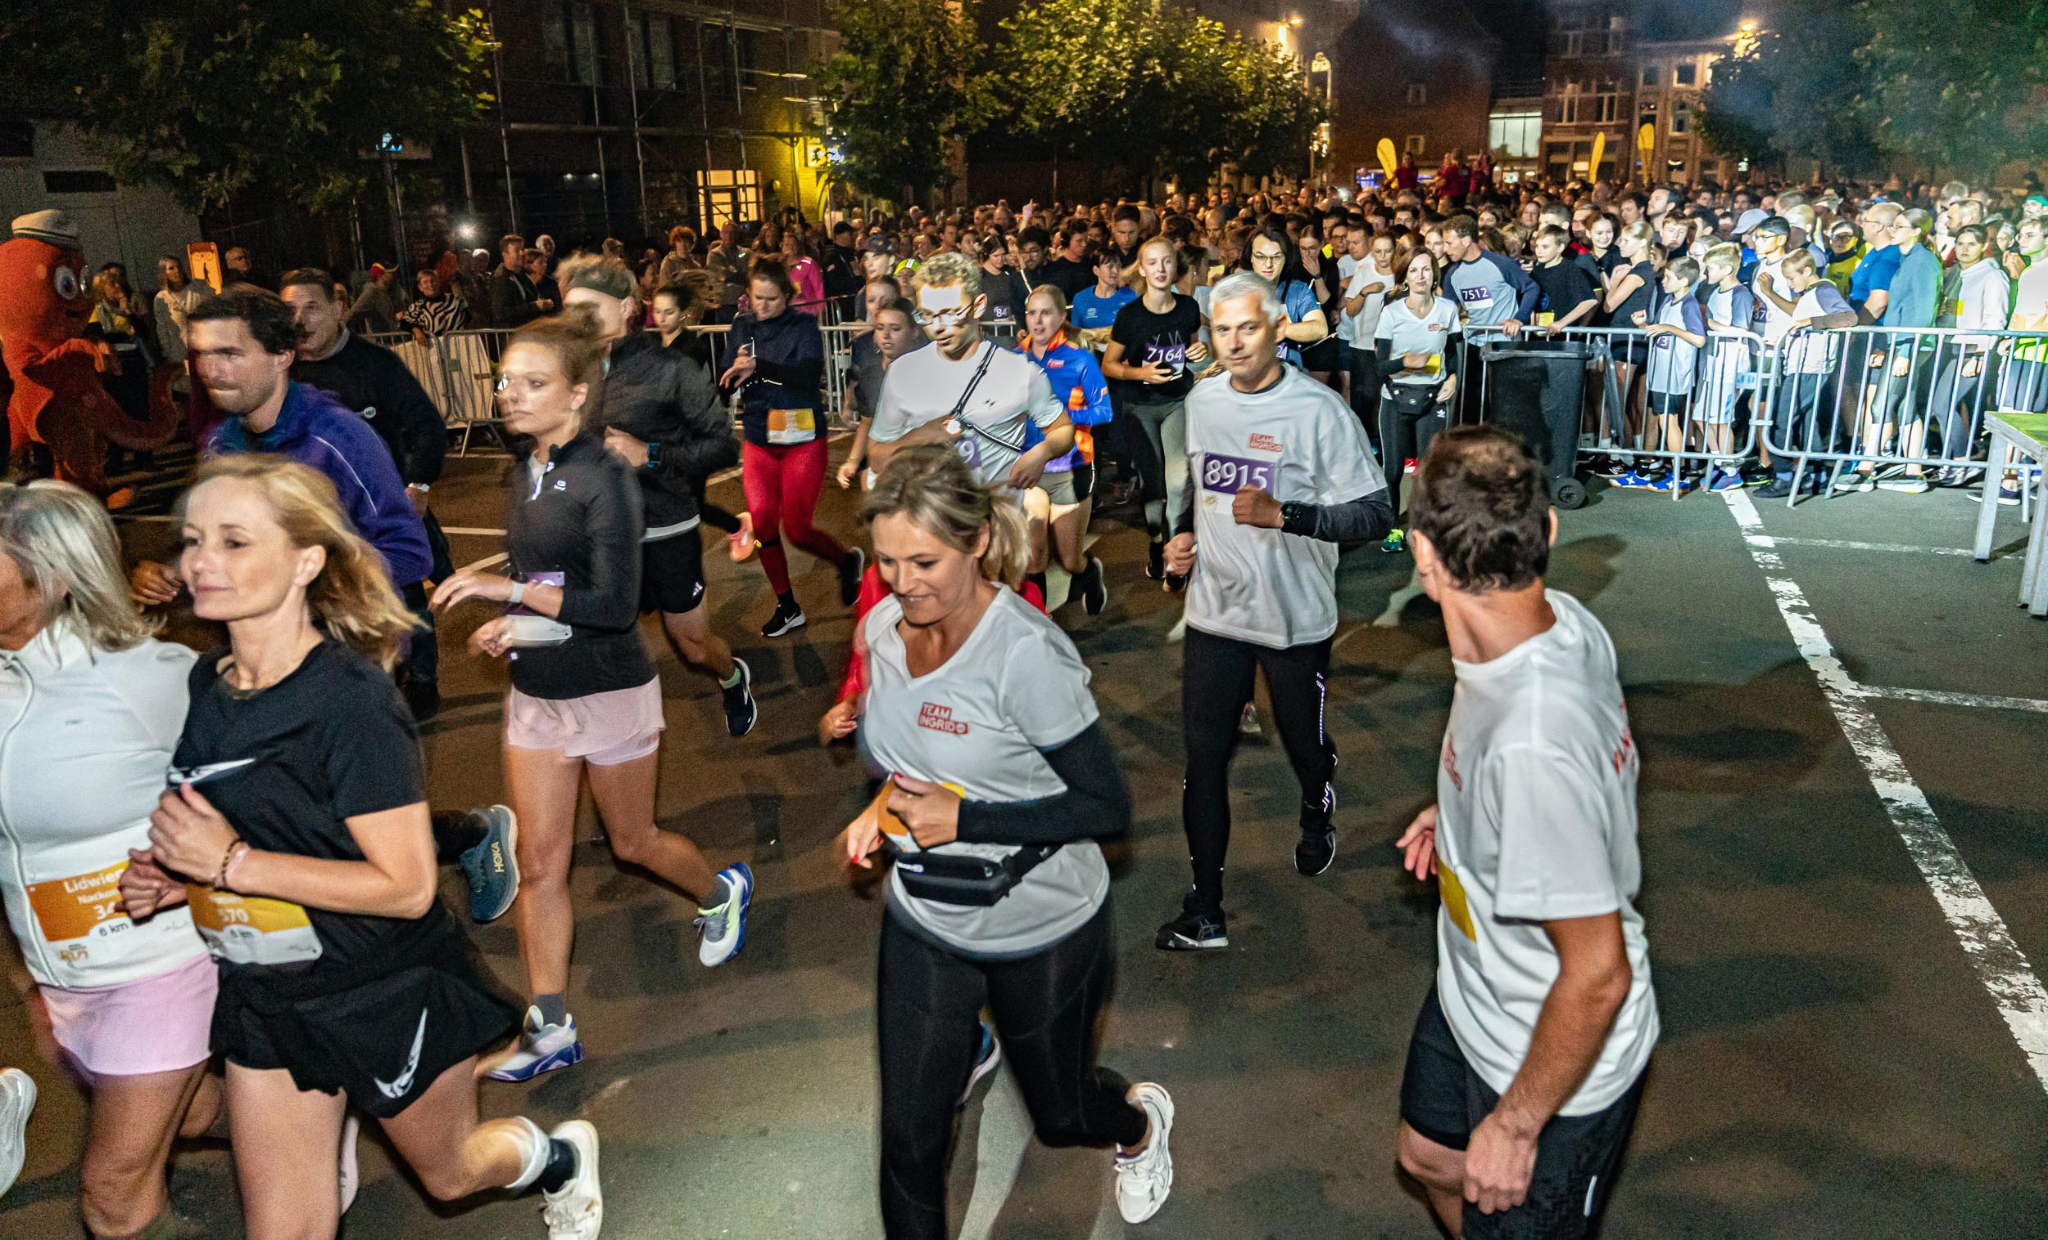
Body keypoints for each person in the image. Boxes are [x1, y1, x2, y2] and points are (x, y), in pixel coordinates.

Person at [118, 454, 603, 1239]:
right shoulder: (212, 685)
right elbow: (270, 829)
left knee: (448, 1176)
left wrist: (230, 865)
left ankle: (555, 1160)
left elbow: (407, 886)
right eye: (194, 540)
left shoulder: (349, 700)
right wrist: (183, 880)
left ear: (307, 559)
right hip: (269, 993)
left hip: (380, 987)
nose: (202, 560)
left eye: (235, 541)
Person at [837, 446, 1175, 1236]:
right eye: (887, 562)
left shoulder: (1025, 655)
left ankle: (1139, 1124)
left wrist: (967, 819)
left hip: (1042, 926)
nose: (902, 582)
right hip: (927, 919)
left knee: (1061, 1115)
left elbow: (1106, 805)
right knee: (909, 1141)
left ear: (978, 541)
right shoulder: (884, 630)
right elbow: (901, 756)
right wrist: (880, 805)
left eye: (924, 561)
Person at [432, 314, 756, 1086]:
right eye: (506, 379)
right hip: (538, 694)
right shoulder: (528, 466)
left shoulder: (609, 478)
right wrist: (511, 625)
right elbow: (549, 575)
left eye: (532, 382)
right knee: (542, 867)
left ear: (578, 395)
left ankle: (721, 890)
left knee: (634, 843)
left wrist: (504, 592)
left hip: (610, 690)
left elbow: (613, 604)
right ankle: (551, 1027)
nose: (510, 393)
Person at [1392, 425, 1658, 1240]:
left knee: (1497, 1189)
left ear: (1425, 562)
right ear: (1547, 531)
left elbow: (1599, 975)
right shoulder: (1559, 619)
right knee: (1428, 1157)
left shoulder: (1531, 747)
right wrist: (1468, 817)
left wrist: (1515, 1126)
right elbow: (1584, 779)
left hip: (1547, 1051)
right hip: (1476, 994)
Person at [0, 481, 220, 1238]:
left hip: (159, 961)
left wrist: (197, 869)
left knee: (113, 1193)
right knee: (193, 1116)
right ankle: (311, 1110)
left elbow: (266, 783)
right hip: (64, 974)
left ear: (50, 576)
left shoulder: (143, 678)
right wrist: (28, 977)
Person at [1156, 273, 1393, 951]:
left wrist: (1287, 514)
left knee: (1302, 745)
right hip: (1215, 614)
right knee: (1203, 762)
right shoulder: (1202, 401)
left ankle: (1317, 804)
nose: (1232, 343)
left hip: (1294, 619)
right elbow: (1200, 487)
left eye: (1247, 328)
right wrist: (1184, 542)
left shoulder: (1316, 410)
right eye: (1221, 330)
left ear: (1277, 328)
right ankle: (1205, 906)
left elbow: (1377, 515)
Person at [562, 255, 757, 734]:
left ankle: (732, 677)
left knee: (692, 646)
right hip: (602, 534)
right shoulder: (567, 371)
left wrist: (649, 455)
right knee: (597, 636)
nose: (576, 321)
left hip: (666, 527)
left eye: (590, 308)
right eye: (570, 309)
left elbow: (722, 446)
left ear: (627, 306)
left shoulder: (670, 369)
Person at [274, 269, 450, 720]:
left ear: (337, 308)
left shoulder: (376, 366)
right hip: (314, 522)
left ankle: (423, 680)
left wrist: (419, 485)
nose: (300, 319)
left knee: (404, 600)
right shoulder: (278, 372)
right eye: (290, 309)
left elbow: (428, 427)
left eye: (311, 307)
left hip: (378, 516)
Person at [867, 252, 1075, 563]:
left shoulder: (1020, 372)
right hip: (931, 536)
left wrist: (1040, 453)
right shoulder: (903, 373)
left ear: (978, 306)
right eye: (928, 315)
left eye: (951, 313)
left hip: (999, 535)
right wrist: (921, 436)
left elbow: (1061, 429)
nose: (938, 327)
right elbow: (876, 456)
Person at [719, 258, 866, 637]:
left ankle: (846, 561)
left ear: (788, 296)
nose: (763, 306)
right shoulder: (741, 326)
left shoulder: (803, 326)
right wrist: (732, 378)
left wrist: (760, 368)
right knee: (764, 522)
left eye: (771, 298)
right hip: (757, 437)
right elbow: (723, 385)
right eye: (757, 298)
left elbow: (805, 378)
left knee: (798, 530)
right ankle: (787, 605)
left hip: (801, 437)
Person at [1102, 236, 1208, 585]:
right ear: (1143, 270)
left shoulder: (1188, 307)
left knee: (1178, 483)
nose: (1161, 269)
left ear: (1174, 267)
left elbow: (1194, 348)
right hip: (1140, 409)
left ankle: (1175, 560)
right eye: (1153, 263)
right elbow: (1109, 364)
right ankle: (1155, 544)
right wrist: (1141, 373)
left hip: (1177, 402)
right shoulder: (1129, 316)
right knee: (1152, 486)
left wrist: (1197, 352)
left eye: (1167, 262)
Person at [1018, 285, 1112, 614]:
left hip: (1072, 466)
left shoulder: (1079, 359)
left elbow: (1104, 411)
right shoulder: (1014, 359)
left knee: (1069, 560)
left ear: (1060, 317)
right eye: (1032, 313)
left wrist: (1061, 418)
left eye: (1046, 313)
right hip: (1028, 467)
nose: (1038, 320)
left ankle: (1088, 573)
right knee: (1034, 558)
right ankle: (1039, 631)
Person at [1375, 251, 1463, 553]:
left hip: (1433, 397)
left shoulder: (1447, 309)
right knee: (1393, 470)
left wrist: (1453, 379)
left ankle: (1424, 528)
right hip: (1395, 398)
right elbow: (1378, 367)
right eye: (1414, 270)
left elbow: (1455, 353)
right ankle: (1392, 529)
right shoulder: (1391, 313)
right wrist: (1406, 361)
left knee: (1428, 470)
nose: (1421, 276)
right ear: (1405, 277)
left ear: (1434, 274)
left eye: (1426, 269)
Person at [840, 289, 923, 491]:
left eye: (895, 328)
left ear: (914, 332)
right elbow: (867, 421)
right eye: (880, 328)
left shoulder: (928, 371)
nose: (886, 336)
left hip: (921, 471)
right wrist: (852, 461)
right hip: (883, 471)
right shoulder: (871, 374)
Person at [1245, 228, 1329, 367]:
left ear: (1286, 259)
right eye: (1261, 257)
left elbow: (1321, 329)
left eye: (1276, 257)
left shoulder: (1297, 290)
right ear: (1250, 257)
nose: (1268, 264)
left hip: (1288, 375)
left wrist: (1281, 328)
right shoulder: (1237, 290)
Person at [1341, 228, 1395, 435]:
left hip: (1390, 348)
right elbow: (1351, 310)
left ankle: (1385, 447)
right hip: (1362, 346)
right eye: (1378, 251)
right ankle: (1365, 445)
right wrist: (1365, 291)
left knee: (1385, 400)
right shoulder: (1364, 274)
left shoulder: (1400, 276)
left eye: (1387, 251)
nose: (1382, 257)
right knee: (1363, 400)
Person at [154, 255, 209, 368]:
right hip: (180, 352)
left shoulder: (197, 289)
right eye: (171, 268)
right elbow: (162, 328)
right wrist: (167, 353)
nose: (177, 271)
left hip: (203, 345)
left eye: (178, 267)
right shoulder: (162, 299)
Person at [397, 268, 469, 342]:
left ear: (438, 283)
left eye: (433, 281)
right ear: (420, 287)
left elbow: (468, 316)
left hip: (459, 345)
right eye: (425, 282)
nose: (430, 285)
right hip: (433, 349)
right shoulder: (417, 306)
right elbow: (405, 323)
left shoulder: (454, 300)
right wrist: (416, 331)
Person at [492, 234, 548, 328]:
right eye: (517, 251)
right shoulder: (500, 279)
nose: (522, 254)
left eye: (522, 249)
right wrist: (535, 306)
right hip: (512, 337)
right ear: (505, 254)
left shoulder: (521, 275)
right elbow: (501, 313)